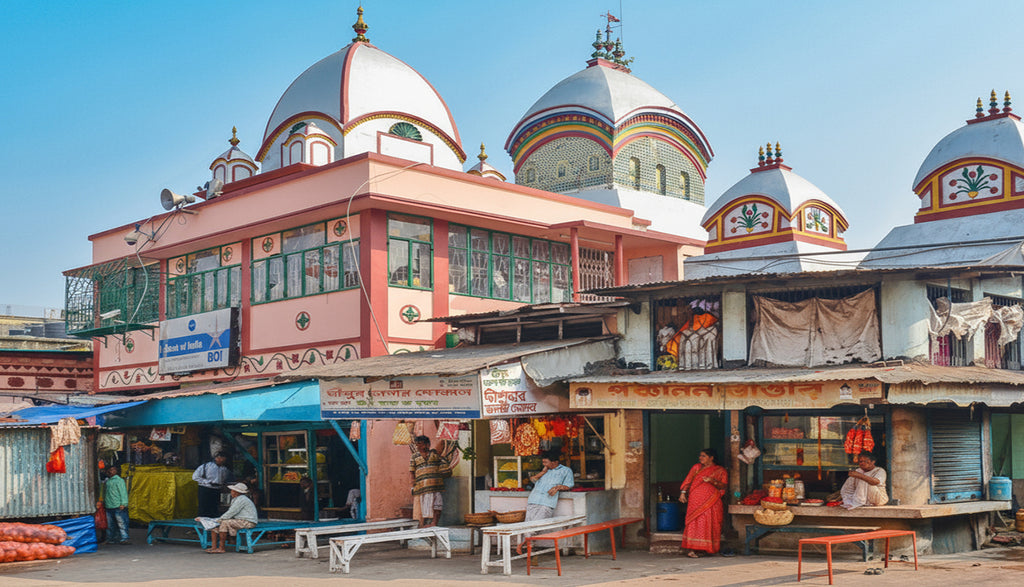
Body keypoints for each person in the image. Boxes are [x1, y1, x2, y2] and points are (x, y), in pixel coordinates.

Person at [678, 448, 727, 557]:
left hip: (712, 500)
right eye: (700, 456)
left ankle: (705, 548)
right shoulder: (696, 468)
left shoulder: (720, 470)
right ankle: (692, 549)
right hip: (695, 500)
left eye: (703, 456)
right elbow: (688, 480)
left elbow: (723, 485)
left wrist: (712, 481)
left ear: (711, 458)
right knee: (694, 522)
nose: (700, 458)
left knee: (709, 522)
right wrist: (683, 493)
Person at [199, 482, 257, 553]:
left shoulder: (242, 499)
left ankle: (221, 548)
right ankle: (214, 547)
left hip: (248, 522)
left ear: (237, 492)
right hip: (240, 520)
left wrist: (219, 520)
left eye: (233, 491)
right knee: (214, 526)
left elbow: (231, 512)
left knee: (224, 523)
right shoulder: (236, 499)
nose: (231, 492)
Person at [409, 435, 450, 527]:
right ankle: (424, 526)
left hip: (436, 485)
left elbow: (442, 445)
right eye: (417, 444)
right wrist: (412, 486)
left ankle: (434, 523)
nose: (418, 446)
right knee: (424, 507)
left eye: (420, 444)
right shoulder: (414, 456)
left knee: (438, 505)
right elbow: (412, 472)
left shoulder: (435, 454)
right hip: (422, 486)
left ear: (427, 444)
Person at [525, 450, 574, 522]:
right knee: (527, 525)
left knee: (538, 527)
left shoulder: (566, 470)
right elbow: (533, 479)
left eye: (546, 462)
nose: (544, 464)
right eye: (543, 462)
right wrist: (543, 472)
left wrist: (557, 487)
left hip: (547, 502)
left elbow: (569, 485)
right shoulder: (544, 470)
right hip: (533, 500)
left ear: (555, 462)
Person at [193, 452, 231, 518]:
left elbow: (224, 479)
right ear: (217, 458)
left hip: (217, 489)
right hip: (205, 488)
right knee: (203, 508)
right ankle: (201, 524)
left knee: (214, 508)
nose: (223, 461)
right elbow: (195, 477)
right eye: (222, 459)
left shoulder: (224, 469)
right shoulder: (206, 466)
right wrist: (207, 482)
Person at [103, 465, 130, 544]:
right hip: (109, 505)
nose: (112, 471)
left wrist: (123, 503)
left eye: (114, 470)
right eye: (110, 470)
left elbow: (123, 492)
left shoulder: (119, 480)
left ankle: (124, 538)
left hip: (118, 505)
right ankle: (111, 538)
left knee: (121, 523)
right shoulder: (108, 481)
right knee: (110, 524)